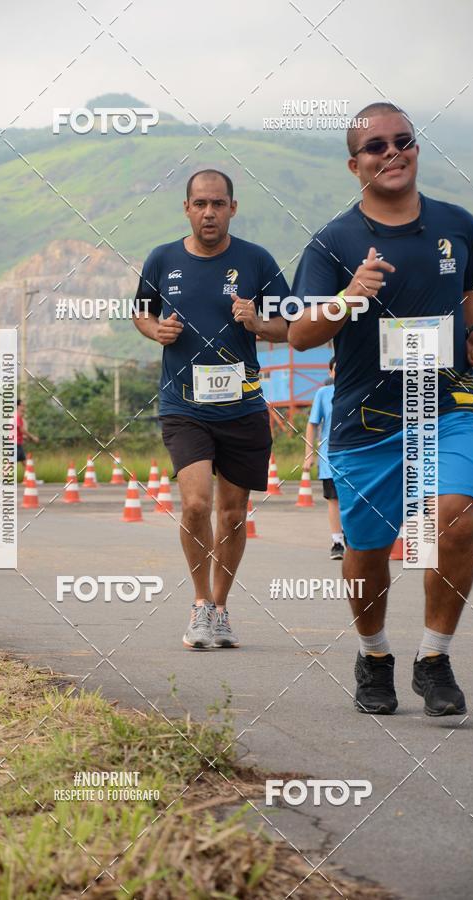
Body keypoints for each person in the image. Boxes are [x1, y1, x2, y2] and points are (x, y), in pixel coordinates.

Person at [289, 102, 473, 717]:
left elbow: (468, 293)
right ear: (354, 164)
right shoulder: (333, 241)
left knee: (457, 517)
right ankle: (374, 655)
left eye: (402, 141)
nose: (392, 153)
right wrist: (349, 296)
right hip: (367, 418)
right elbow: (299, 334)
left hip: (446, 403)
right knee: (367, 551)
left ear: (416, 148)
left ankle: (434, 658)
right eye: (376, 146)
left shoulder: (458, 223)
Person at [133, 169, 290, 650]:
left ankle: (220, 609)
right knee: (197, 503)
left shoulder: (257, 261)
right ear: (186, 208)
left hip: (243, 406)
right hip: (184, 405)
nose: (208, 212)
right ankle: (200, 604)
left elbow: (292, 326)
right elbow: (141, 312)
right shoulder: (162, 259)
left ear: (232, 209)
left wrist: (258, 323)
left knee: (234, 514)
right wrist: (155, 330)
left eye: (218, 204)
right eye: (200, 203)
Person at [302, 356, 345, 559]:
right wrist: (309, 455)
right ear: (330, 373)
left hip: (354, 457)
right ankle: (337, 542)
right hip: (330, 458)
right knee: (334, 500)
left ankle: (353, 538)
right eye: (336, 369)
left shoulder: (357, 390)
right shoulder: (323, 393)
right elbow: (312, 424)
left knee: (354, 500)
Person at [14, 398, 39, 479]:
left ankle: (31, 479)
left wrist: (24, 437)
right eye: (22, 405)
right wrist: (32, 437)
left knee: (25, 463)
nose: (24, 407)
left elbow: (18, 431)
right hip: (14, 444)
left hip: (18, 443)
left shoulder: (19, 417)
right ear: (18, 407)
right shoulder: (16, 417)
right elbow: (21, 430)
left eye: (24, 406)